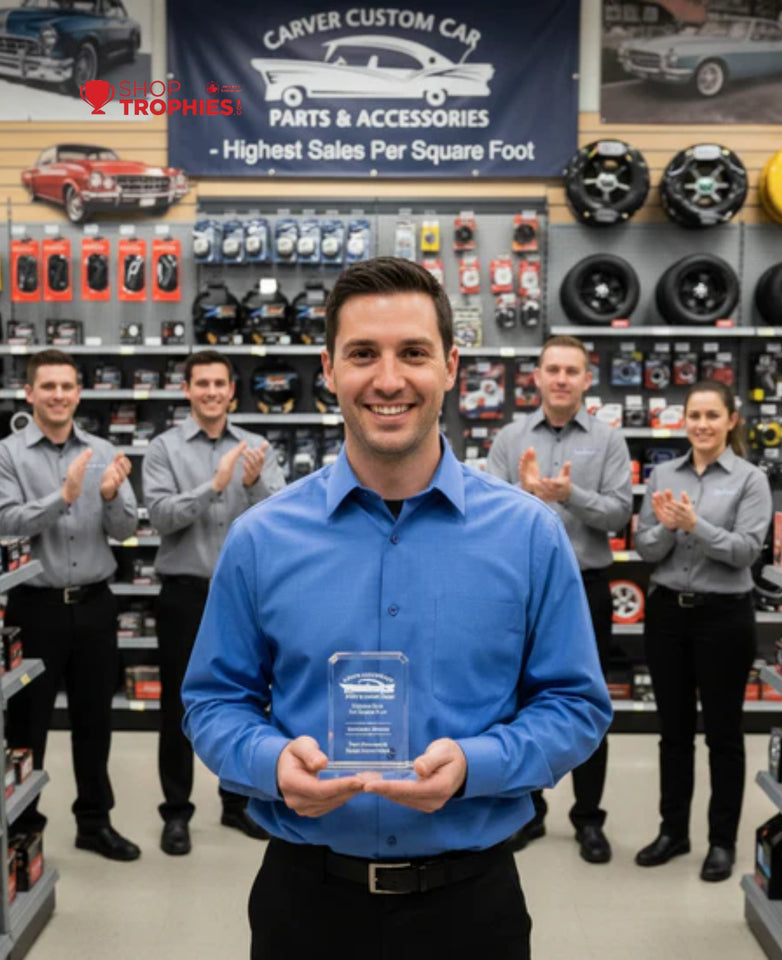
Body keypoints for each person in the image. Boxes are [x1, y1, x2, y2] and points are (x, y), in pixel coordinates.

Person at [181, 256, 613, 960]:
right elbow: (213, 702)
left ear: (450, 365)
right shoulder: (260, 538)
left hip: (472, 908)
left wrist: (479, 763)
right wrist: (268, 761)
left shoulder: (529, 535)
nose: (387, 380)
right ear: (327, 369)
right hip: (305, 905)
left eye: (412, 353)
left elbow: (576, 705)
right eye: (362, 355)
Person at [485, 334, 632, 864]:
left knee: (587, 702)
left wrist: (571, 496)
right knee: (517, 699)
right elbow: (484, 518)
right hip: (520, 589)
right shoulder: (510, 437)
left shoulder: (609, 440)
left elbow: (619, 515)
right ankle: (529, 811)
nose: (562, 379)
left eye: (572, 370)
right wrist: (525, 496)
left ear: (586, 379)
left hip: (588, 586)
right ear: (538, 376)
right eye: (553, 369)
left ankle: (588, 819)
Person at [142, 349, 285, 856]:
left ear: (232, 390)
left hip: (246, 598)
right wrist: (215, 486)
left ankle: (236, 803)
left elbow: (282, 519)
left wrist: (251, 484)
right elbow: (159, 517)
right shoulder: (162, 448)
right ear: (187, 389)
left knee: (247, 702)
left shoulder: (256, 447)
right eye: (200, 383)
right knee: (178, 707)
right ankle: (176, 813)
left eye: (219, 383)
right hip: (184, 594)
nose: (210, 391)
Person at [0, 348, 140, 861]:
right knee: (27, 724)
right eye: (48, 386)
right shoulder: (9, 454)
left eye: (67, 386)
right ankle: (25, 824)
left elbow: (126, 531)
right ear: (30, 393)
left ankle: (94, 821)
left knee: (93, 720)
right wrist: (64, 495)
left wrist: (107, 495)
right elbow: (6, 522)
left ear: (79, 393)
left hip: (96, 606)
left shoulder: (103, 449)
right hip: (34, 609)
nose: (59, 395)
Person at [634, 379, 771, 882]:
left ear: (731, 420)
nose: (703, 425)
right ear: (683, 420)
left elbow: (745, 552)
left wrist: (695, 525)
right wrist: (668, 527)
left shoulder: (750, 479)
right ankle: (673, 832)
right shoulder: (663, 474)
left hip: (724, 617)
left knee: (723, 735)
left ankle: (720, 841)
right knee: (672, 734)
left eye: (713, 416)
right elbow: (646, 550)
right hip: (668, 614)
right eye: (695, 415)